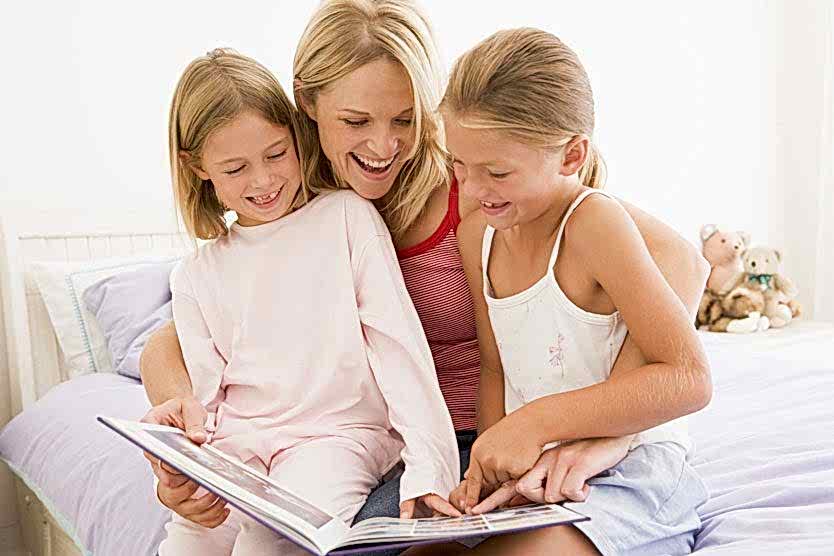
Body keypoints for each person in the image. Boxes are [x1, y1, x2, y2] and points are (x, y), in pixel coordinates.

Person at [141, 0, 709, 542]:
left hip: (489, 438)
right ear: (308, 105)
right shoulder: (293, 201)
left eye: (405, 119)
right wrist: (185, 442)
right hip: (396, 449)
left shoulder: (482, 185)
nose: (383, 145)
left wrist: (610, 429)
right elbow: (171, 341)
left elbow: (679, 263)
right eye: (356, 120)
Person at [412, 28, 712, 555]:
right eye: (459, 166)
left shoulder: (595, 224)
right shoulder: (477, 232)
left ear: (572, 155)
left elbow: (689, 378)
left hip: (631, 472)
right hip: (537, 476)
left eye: (497, 172)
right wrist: (485, 467)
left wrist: (536, 423)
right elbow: (496, 370)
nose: (473, 191)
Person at [152, 48, 459, 555]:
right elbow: (203, 404)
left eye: (277, 154)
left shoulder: (346, 217)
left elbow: (399, 349)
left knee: (269, 543)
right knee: (188, 542)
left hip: (336, 437)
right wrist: (181, 469)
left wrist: (431, 467)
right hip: (240, 443)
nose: (264, 180)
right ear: (197, 167)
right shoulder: (195, 274)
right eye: (235, 168)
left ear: (298, 136)